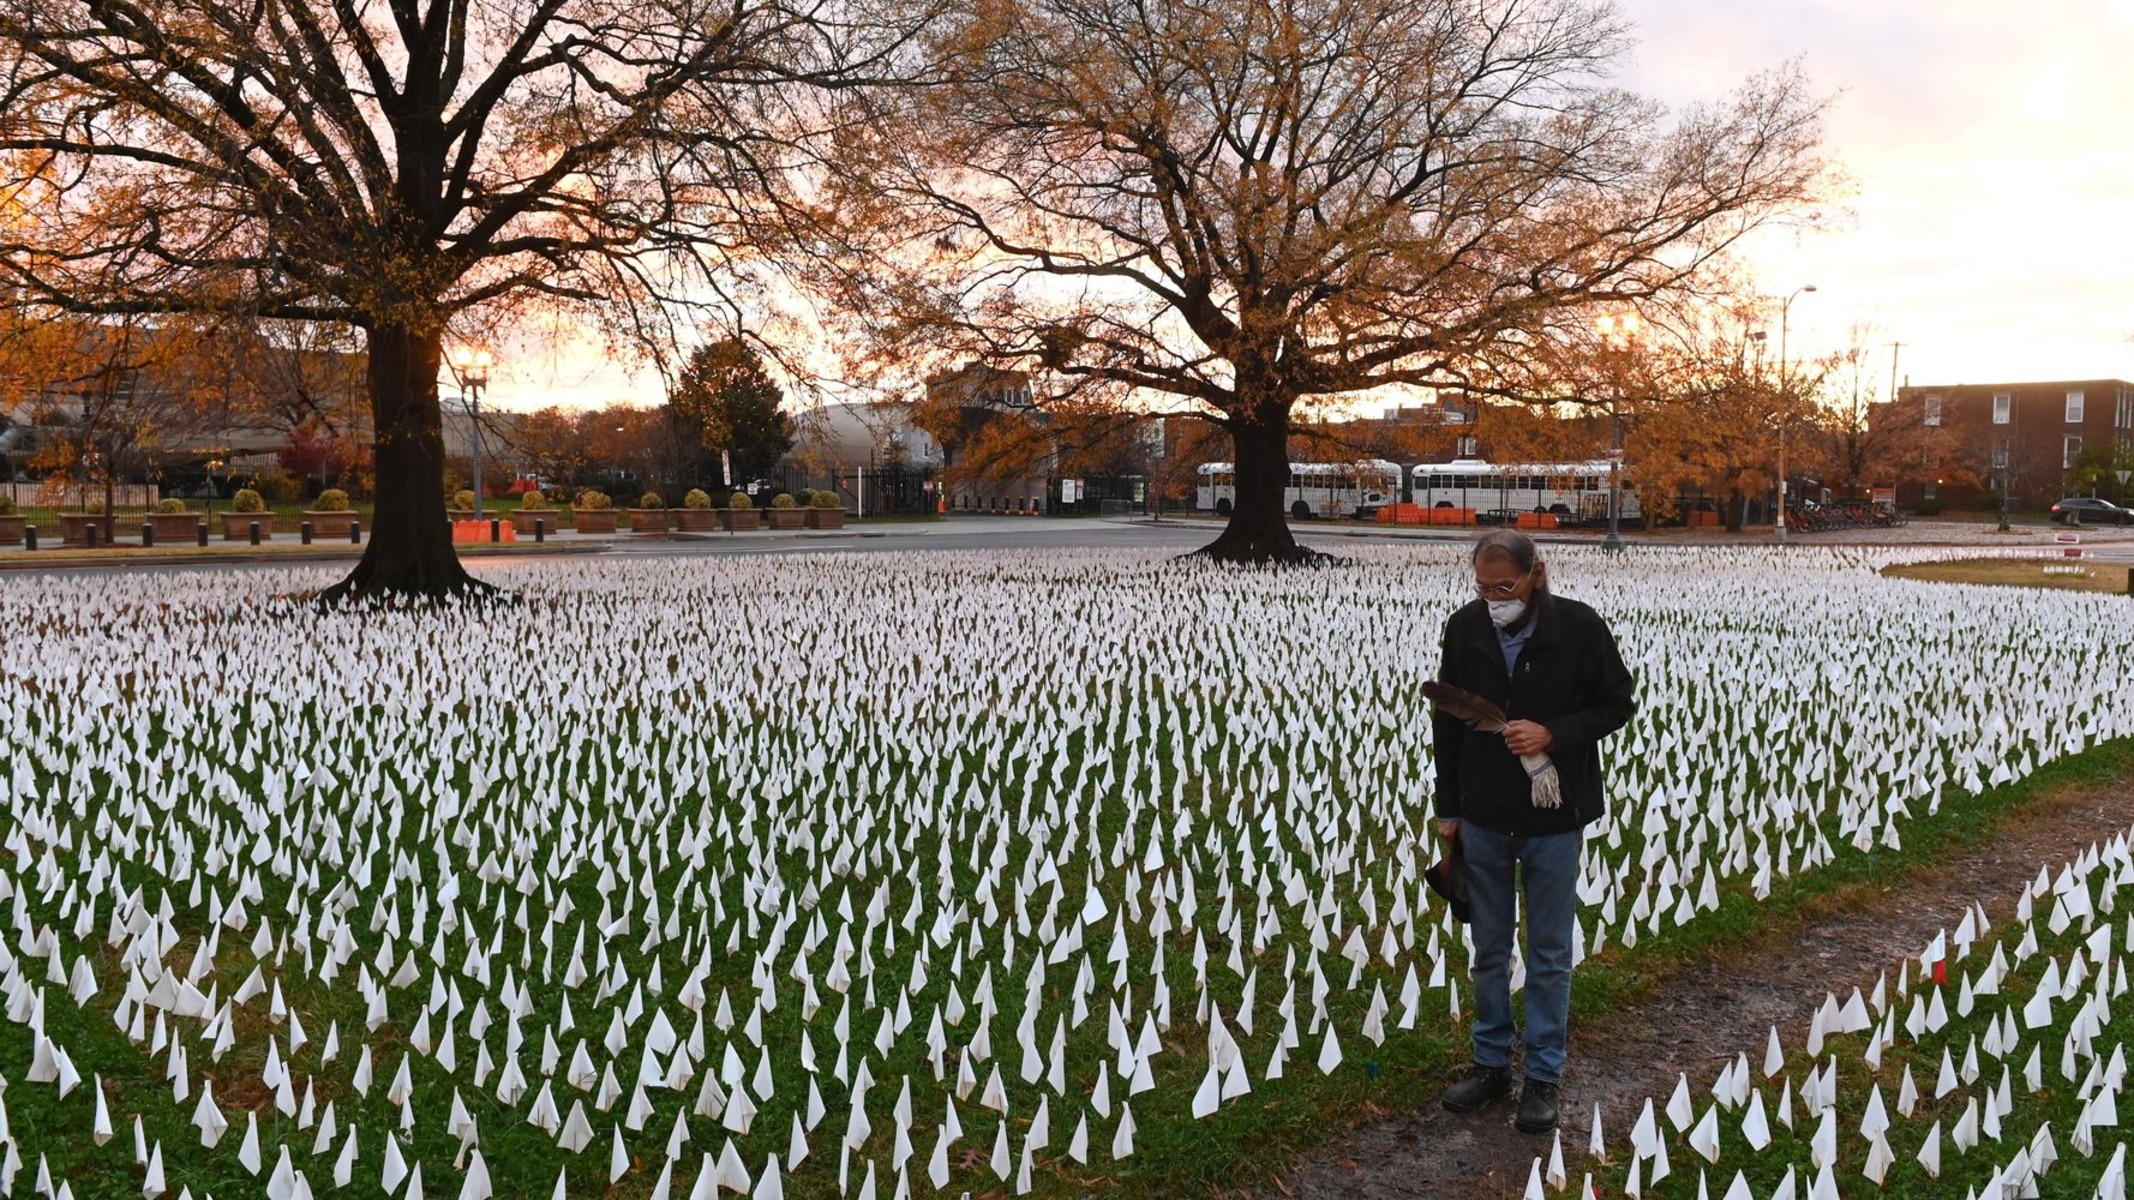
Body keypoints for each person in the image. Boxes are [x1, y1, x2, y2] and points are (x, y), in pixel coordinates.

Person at [1432, 530, 1636, 1133]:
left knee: (1548, 954)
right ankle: (1492, 1063)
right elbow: (1448, 718)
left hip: (1554, 817)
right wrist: (1450, 807)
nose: (1494, 597)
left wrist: (1553, 733)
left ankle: (1543, 1074)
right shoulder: (1465, 629)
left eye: (1505, 585)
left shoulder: (1578, 629)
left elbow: (1616, 704)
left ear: (1536, 574)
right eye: (1483, 586)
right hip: (1486, 813)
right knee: (1488, 950)